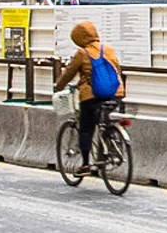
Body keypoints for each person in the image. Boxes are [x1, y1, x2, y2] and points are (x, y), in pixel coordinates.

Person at [52, 21, 127, 174]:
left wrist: (58, 86)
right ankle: (111, 144)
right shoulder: (108, 50)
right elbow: (117, 70)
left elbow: (69, 73)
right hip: (115, 93)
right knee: (105, 121)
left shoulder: (82, 53)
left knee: (86, 129)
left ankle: (85, 164)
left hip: (92, 97)